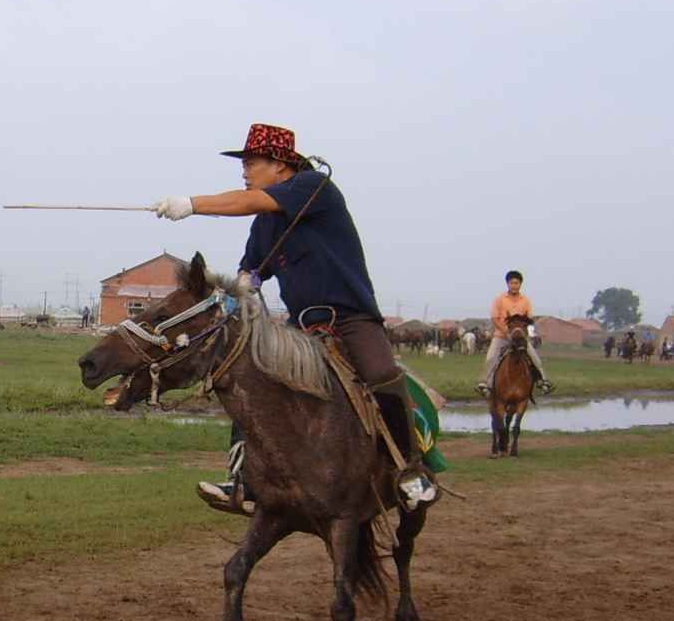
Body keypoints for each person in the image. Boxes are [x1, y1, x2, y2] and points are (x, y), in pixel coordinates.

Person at [151, 122, 436, 511]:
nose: (245, 171)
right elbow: (251, 268)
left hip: (351, 318)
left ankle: (411, 469)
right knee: (249, 377)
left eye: (252, 162)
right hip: (301, 326)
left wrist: (192, 203)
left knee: (383, 373)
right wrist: (246, 284)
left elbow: (246, 202)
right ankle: (244, 481)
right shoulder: (265, 222)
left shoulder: (314, 187)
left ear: (281, 165)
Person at [476, 271, 554, 396]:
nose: (514, 285)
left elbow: (529, 320)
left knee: (535, 358)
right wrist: (506, 332)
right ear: (507, 284)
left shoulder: (526, 301)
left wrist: (529, 334)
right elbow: (495, 319)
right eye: (511, 283)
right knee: (491, 357)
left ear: (520, 284)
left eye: (516, 283)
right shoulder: (500, 299)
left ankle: (543, 381)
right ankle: (485, 384)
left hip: (520, 337)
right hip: (502, 336)